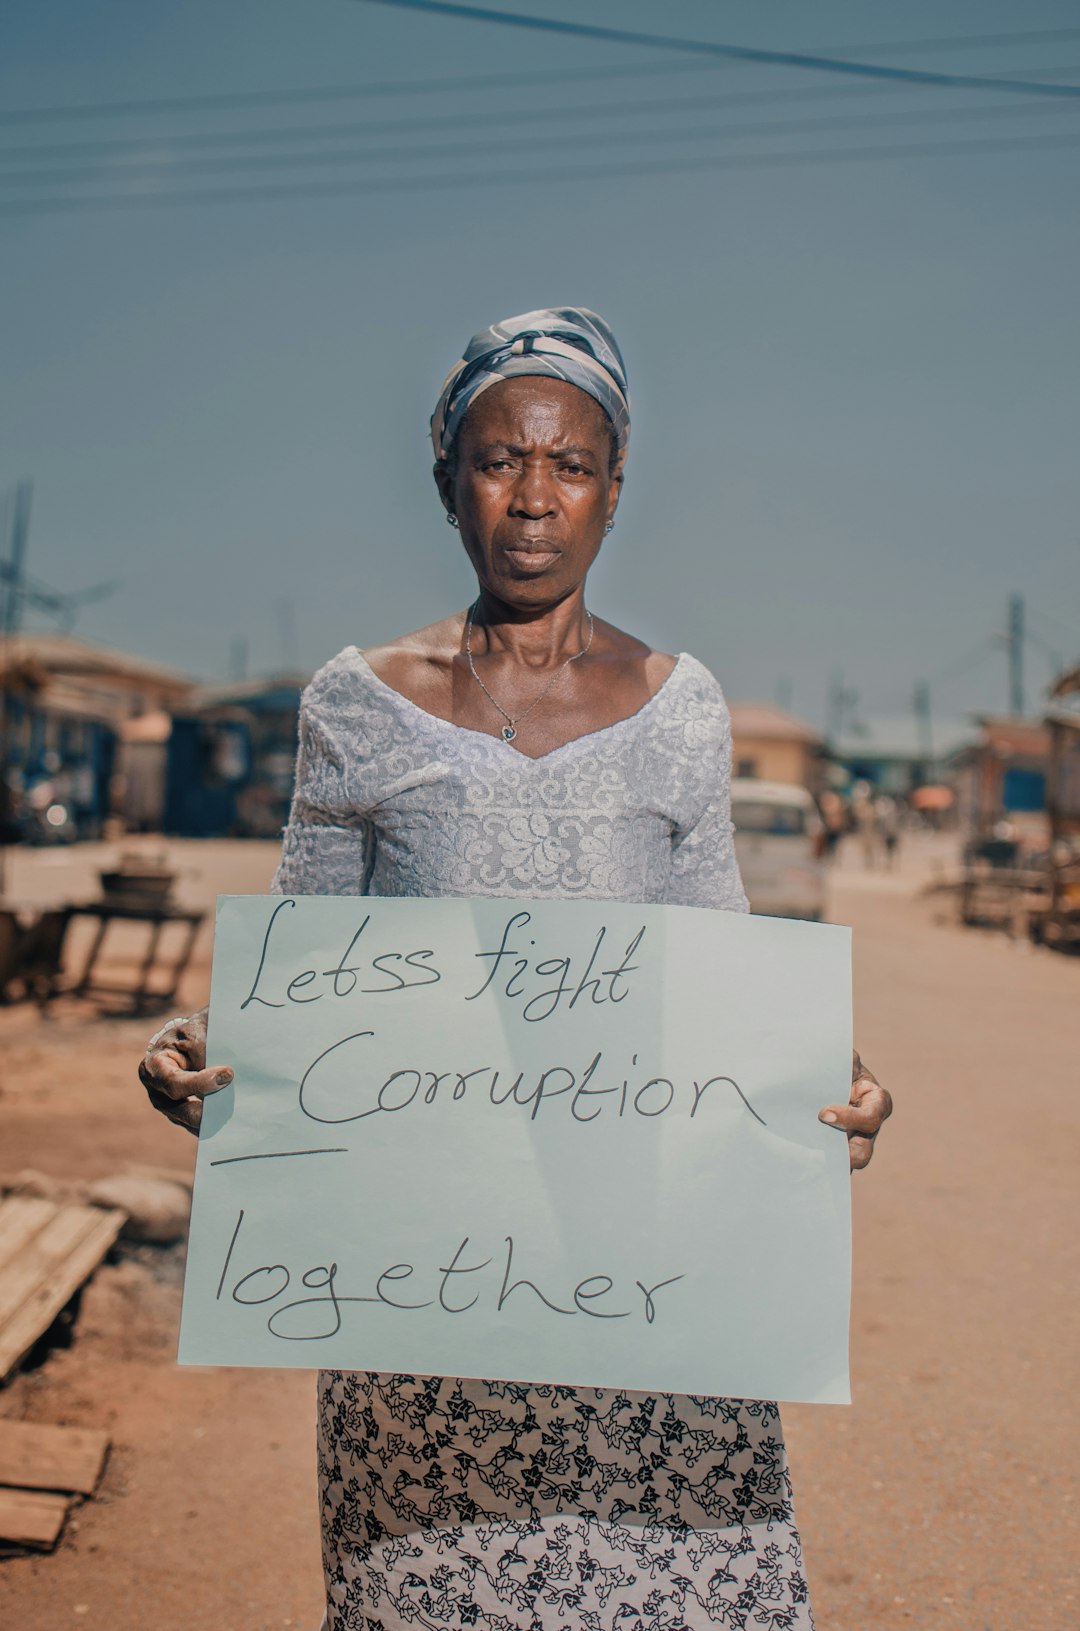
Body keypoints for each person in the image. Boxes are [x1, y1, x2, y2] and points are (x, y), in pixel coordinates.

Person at [140, 308, 892, 1631]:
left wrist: (824, 1080)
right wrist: (206, 1048)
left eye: (571, 465)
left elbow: (720, 964)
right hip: (435, 1306)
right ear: (447, 482)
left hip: (640, 1293)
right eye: (499, 461)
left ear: (614, 490)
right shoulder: (356, 704)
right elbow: (310, 963)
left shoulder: (682, 705)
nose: (534, 502)